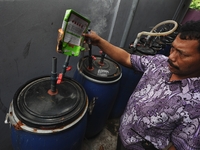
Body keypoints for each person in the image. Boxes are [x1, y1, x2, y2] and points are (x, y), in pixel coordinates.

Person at [82, 20, 200, 150]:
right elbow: (128, 58)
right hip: (123, 135)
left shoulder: (196, 104)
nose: (171, 56)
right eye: (172, 48)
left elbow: (181, 147)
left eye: (182, 53)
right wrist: (98, 41)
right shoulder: (160, 62)